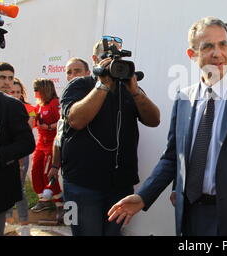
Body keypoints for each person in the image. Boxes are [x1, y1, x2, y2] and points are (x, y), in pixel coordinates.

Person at [108, 17, 227, 236]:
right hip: (189, 217)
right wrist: (143, 196)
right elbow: (171, 157)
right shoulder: (183, 99)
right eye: (207, 47)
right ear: (192, 55)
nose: (217, 53)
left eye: (223, 45)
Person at [60, 37, 160, 236]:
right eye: (108, 57)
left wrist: (136, 91)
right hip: (83, 184)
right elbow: (76, 121)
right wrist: (102, 85)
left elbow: (154, 120)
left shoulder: (129, 89)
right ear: (95, 59)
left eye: (119, 57)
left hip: (120, 185)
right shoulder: (80, 84)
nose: (115, 62)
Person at [47, 57, 91, 223]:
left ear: (88, 73)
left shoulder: (97, 98)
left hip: (93, 178)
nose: (72, 75)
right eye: (69, 72)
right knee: (74, 222)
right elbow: (59, 138)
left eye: (77, 71)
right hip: (70, 175)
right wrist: (54, 165)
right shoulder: (66, 102)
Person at [0, 62, 35, 236]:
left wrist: (0, 154)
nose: (7, 82)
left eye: (10, 78)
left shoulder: (11, 105)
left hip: (0, 183)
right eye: (2, 77)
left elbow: (27, 143)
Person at [30, 78, 62, 213]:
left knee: (47, 174)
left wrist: (49, 126)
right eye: (34, 90)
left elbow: (62, 121)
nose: (35, 92)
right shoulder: (38, 105)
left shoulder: (54, 103)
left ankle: (60, 205)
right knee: (35, 172)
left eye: (37, 89)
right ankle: (43, 200)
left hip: (52, 144)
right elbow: (32, 118)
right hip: (40, 145)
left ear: (45, 89)